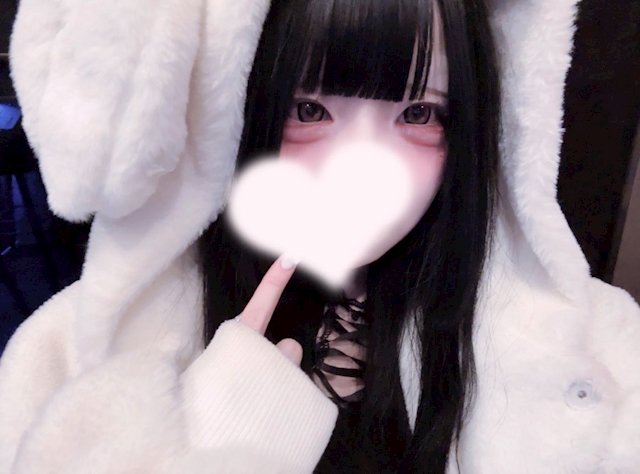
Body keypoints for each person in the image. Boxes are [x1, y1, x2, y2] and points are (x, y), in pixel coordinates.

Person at [1, 1, 639, 474]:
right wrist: (219, 441)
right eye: (309, 110)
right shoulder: (66, 362)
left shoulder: (605, 354)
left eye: (419, 113)